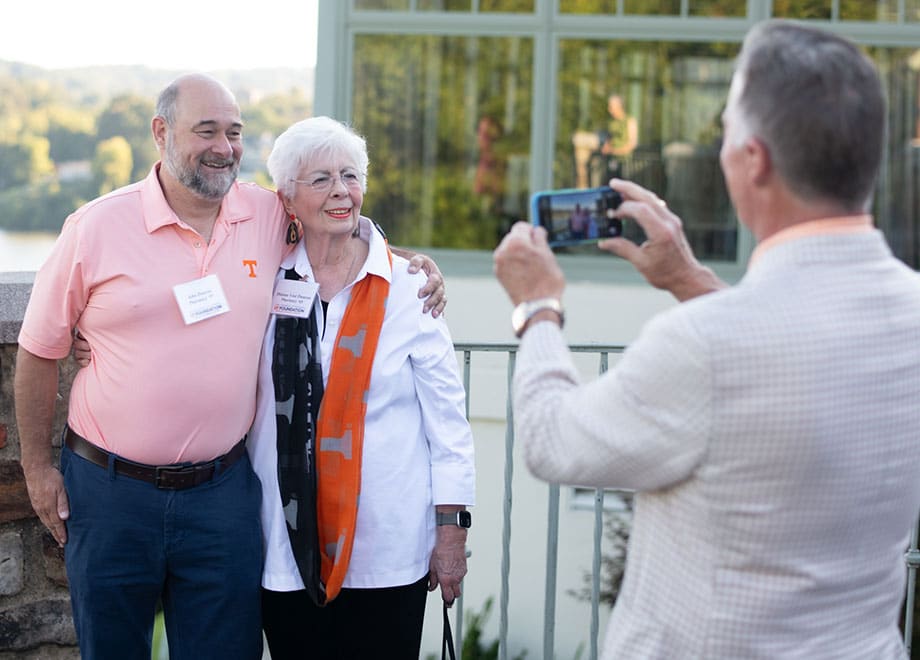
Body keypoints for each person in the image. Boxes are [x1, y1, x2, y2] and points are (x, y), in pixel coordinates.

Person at [494, 20, 920, 659]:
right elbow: (798, 355)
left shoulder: (703, 345)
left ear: (754, 161)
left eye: (725, 133)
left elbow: (553, 443)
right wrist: (690, 279)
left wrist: (538, 305)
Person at [14, 73, 446, 660]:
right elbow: (40, 349)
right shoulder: (95, 227)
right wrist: (38, 470)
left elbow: (337, 217)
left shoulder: (267, 214)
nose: (224, 147)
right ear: (162, 133)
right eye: (207, 131)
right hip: (111, 492)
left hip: (221, 494)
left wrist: (409, 264)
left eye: (235, 132)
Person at [248, 116, 475, 659]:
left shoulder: (410, 288)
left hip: (387, 547)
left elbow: (449, 426)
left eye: (350, 175)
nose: (340, 191)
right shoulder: (260, 278)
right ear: (287, 197)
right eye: (321, 178)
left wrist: (452, 533)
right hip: (286, 544)